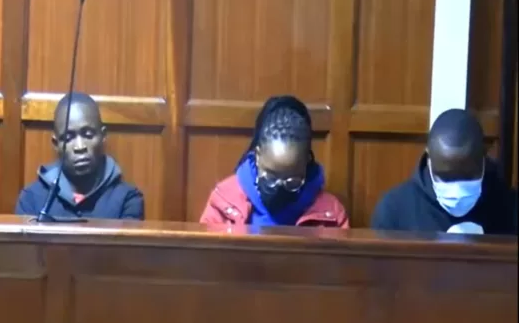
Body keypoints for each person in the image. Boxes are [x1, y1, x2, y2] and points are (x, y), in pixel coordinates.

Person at [199, 95, 348, 227]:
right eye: (270, 177)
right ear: (257, 156)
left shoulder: (332, 215)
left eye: (292, 182)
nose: (279, 188)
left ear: (306, 163)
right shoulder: (223, 202)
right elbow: (204, 256)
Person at [371, 109, 517, 235]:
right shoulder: (394, 211)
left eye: (468, 177)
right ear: (429, 159)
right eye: (445, 178)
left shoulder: (510, 208)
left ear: (484, 156)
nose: (457, 189)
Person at [15, 92, 144, 219]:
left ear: (103, 136)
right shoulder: (31, 199)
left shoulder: (127, 199)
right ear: (56, 144)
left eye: (88, 135)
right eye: (68, 138)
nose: (80, 146)